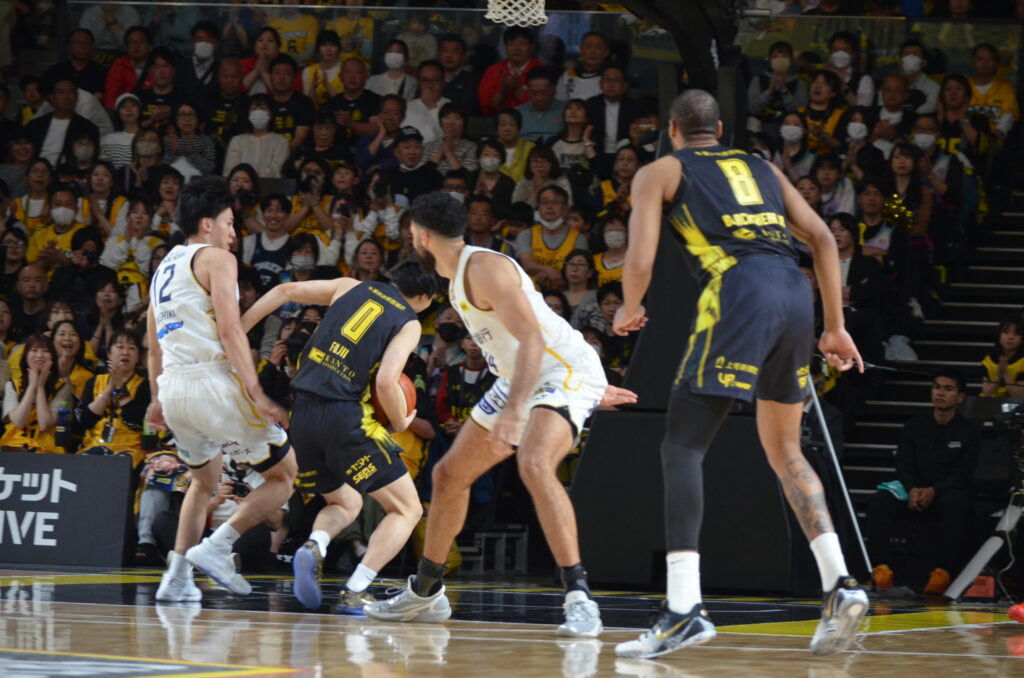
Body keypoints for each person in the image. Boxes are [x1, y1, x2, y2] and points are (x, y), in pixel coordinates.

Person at [613, 89, 867, 658]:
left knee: (682, 445)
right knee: (786, 450)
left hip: (739, 287)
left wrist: (629, 306)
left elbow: (641, 256)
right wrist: (834, 326)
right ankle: (840, 582)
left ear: (672, 131)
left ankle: (684, 608)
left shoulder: (660, 171)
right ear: (720, 129)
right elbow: (823, 239)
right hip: (794, 292)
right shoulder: (762, 166)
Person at [364, 192, 636, 635]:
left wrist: (523, 407)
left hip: (557, 370)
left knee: (534, 462)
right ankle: (426, 592)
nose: (410, 240)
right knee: (449, 475)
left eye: (411, 233)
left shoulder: (484, 269)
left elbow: (534, 339)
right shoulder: (455, 276)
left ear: (423, 236)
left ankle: (580, 599)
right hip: (522, 376)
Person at [240, 261, 440, 613]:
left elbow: (284, 291)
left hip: (302, 416)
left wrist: (236, 331)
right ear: (426, 297)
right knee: (407, 509)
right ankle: (355, 589)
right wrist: (400, 420)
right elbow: (386, 382)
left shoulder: (349, 285)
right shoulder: (408, 322)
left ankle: (315, 545)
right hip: (344, 416)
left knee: (345, 502)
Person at [147, 178, 296, 602]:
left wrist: (156, 399)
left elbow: (152, 344)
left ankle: (176, 577)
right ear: (207, 223)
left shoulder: (162, 268)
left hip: (173, 388)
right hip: (210, 382)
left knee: (203, 481)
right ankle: (217, 547)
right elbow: (231, 330)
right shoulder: (217, 258)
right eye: (230, 223)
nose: (234, 233)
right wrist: (256, 391)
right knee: (284, 476)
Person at [866, 371, 979, 595]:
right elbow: (903, 465)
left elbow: (964, 472)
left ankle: (943, 572)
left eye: (948, 389)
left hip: (946, 491)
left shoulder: (969, 431)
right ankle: (881, 569)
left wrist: (935, 490)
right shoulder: (913, 427)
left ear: (960, 397)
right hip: (913, 490)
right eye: (936, 387)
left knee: (957, 502)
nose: (940, 393)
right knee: (879, 500)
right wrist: (912, 490)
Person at [477, 27, 543, 117]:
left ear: (531, 47)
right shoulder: (493, 71)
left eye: (522, 44)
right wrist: (502, 92)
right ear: (505, 47)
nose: (517, 48)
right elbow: (484, 107)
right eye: (511, 44)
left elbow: (542, 105)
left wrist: (518, 89)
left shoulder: (541, 70)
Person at [980, 316, 1024, 398]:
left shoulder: (1022, 363)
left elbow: (1018, 396)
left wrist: (1006, 373)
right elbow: (987, 393)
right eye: (1006, 332)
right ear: (999, 335)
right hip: (990, 402)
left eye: (1016, 334)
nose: (1010, 337)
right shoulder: (988, 360)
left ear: (1022, 339)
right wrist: (998, 376)